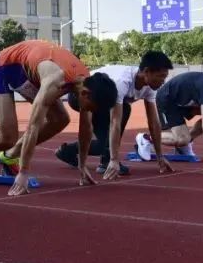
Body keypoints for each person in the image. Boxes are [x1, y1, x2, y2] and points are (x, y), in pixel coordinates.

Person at [0, 39, 117, 195]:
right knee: (7, 138)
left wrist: (82, 165)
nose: (87, 110)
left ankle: (10, 156)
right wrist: (24, 173)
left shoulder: (87, 82)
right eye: (89, 107)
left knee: (61, 119)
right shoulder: (55, 81)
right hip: (5, 67)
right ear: (85, 94)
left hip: (30, 71)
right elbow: (33, 127)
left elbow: (86, 128)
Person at [55, 50, 174, 179]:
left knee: (110, 133)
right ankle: (107, 161)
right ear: (146, 71)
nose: (163, 81)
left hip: (102, 102)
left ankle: (68, 151)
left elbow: (154, 123)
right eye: (161, 76)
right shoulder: (122, 82)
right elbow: (115, 122)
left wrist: (160, 156)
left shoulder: (150, 87)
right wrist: (114, 159)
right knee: (121, 116)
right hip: (83, 96)